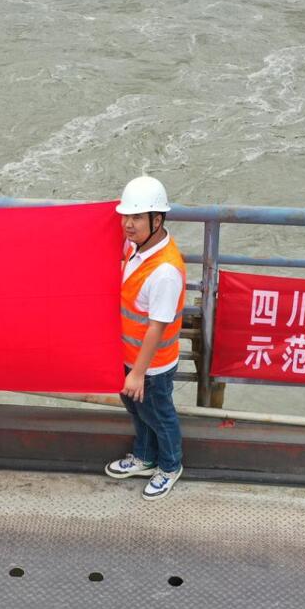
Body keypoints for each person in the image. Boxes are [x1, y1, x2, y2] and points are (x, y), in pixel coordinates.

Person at [104, 176, 186, 501]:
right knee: (138, 412)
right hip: (129, 356)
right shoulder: (135, 246)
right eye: (126, 216)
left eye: (137, 217)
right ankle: (144, 456)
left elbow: (156, 327)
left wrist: (138, 373)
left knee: (159, 415)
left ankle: (170, 466)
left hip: (152, 366)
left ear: (157, 220)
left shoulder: (165, 272)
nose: (128, 224)